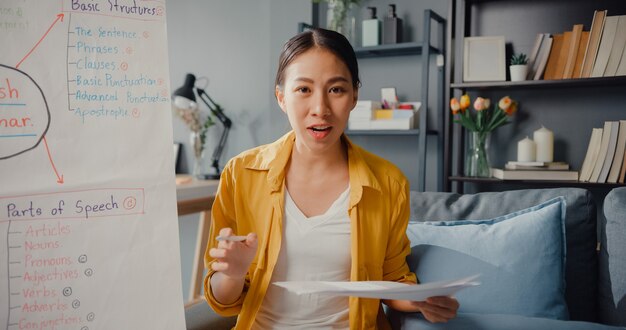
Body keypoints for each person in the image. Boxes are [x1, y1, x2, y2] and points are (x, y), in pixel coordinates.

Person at [204, 28, 459, 329]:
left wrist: (419, 301)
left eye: (336, 89)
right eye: (304, 90)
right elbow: (223, 301)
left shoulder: (388, 182)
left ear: (354, 97)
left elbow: (391, 280)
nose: (320, 109)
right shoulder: (240, 174)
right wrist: (232, 274)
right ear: (281, 97)